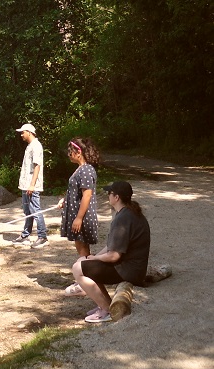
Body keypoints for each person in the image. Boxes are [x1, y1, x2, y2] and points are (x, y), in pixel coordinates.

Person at [71, 181, 150, 323]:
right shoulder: (129, 213)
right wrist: (91, 258)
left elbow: (114, 256)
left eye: (110, 193)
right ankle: (105, 304)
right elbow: (110, 247)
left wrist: (93, 259)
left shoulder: (123, 218)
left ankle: (106, 310)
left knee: (78, 268)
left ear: (117, 197)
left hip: (129, 270)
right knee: (83, 262)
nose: (108, 196)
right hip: (132, 267)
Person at [58, 137, 100, 296]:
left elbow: (87, 195)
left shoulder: (87, 170)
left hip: (83, 216)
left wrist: (79, 218)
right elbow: (76, 191)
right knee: (81, 247)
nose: (69, 154)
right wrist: (65, 199)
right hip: (78, 214)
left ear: (79, 152)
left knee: (83, 248)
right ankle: (86, 278)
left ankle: (85, 281)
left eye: (71, 151)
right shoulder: (80, 169)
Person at [14, 123, 48, 249]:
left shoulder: (36, 146)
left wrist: (32, 185)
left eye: (23, 132)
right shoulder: (30, 146)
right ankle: (25, 235)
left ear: (29, 132)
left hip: (31, 185)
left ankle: (42, 236)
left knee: (35, 210)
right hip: (26, 184)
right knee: (28, 211)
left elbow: (37, 165)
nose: (21, 135)